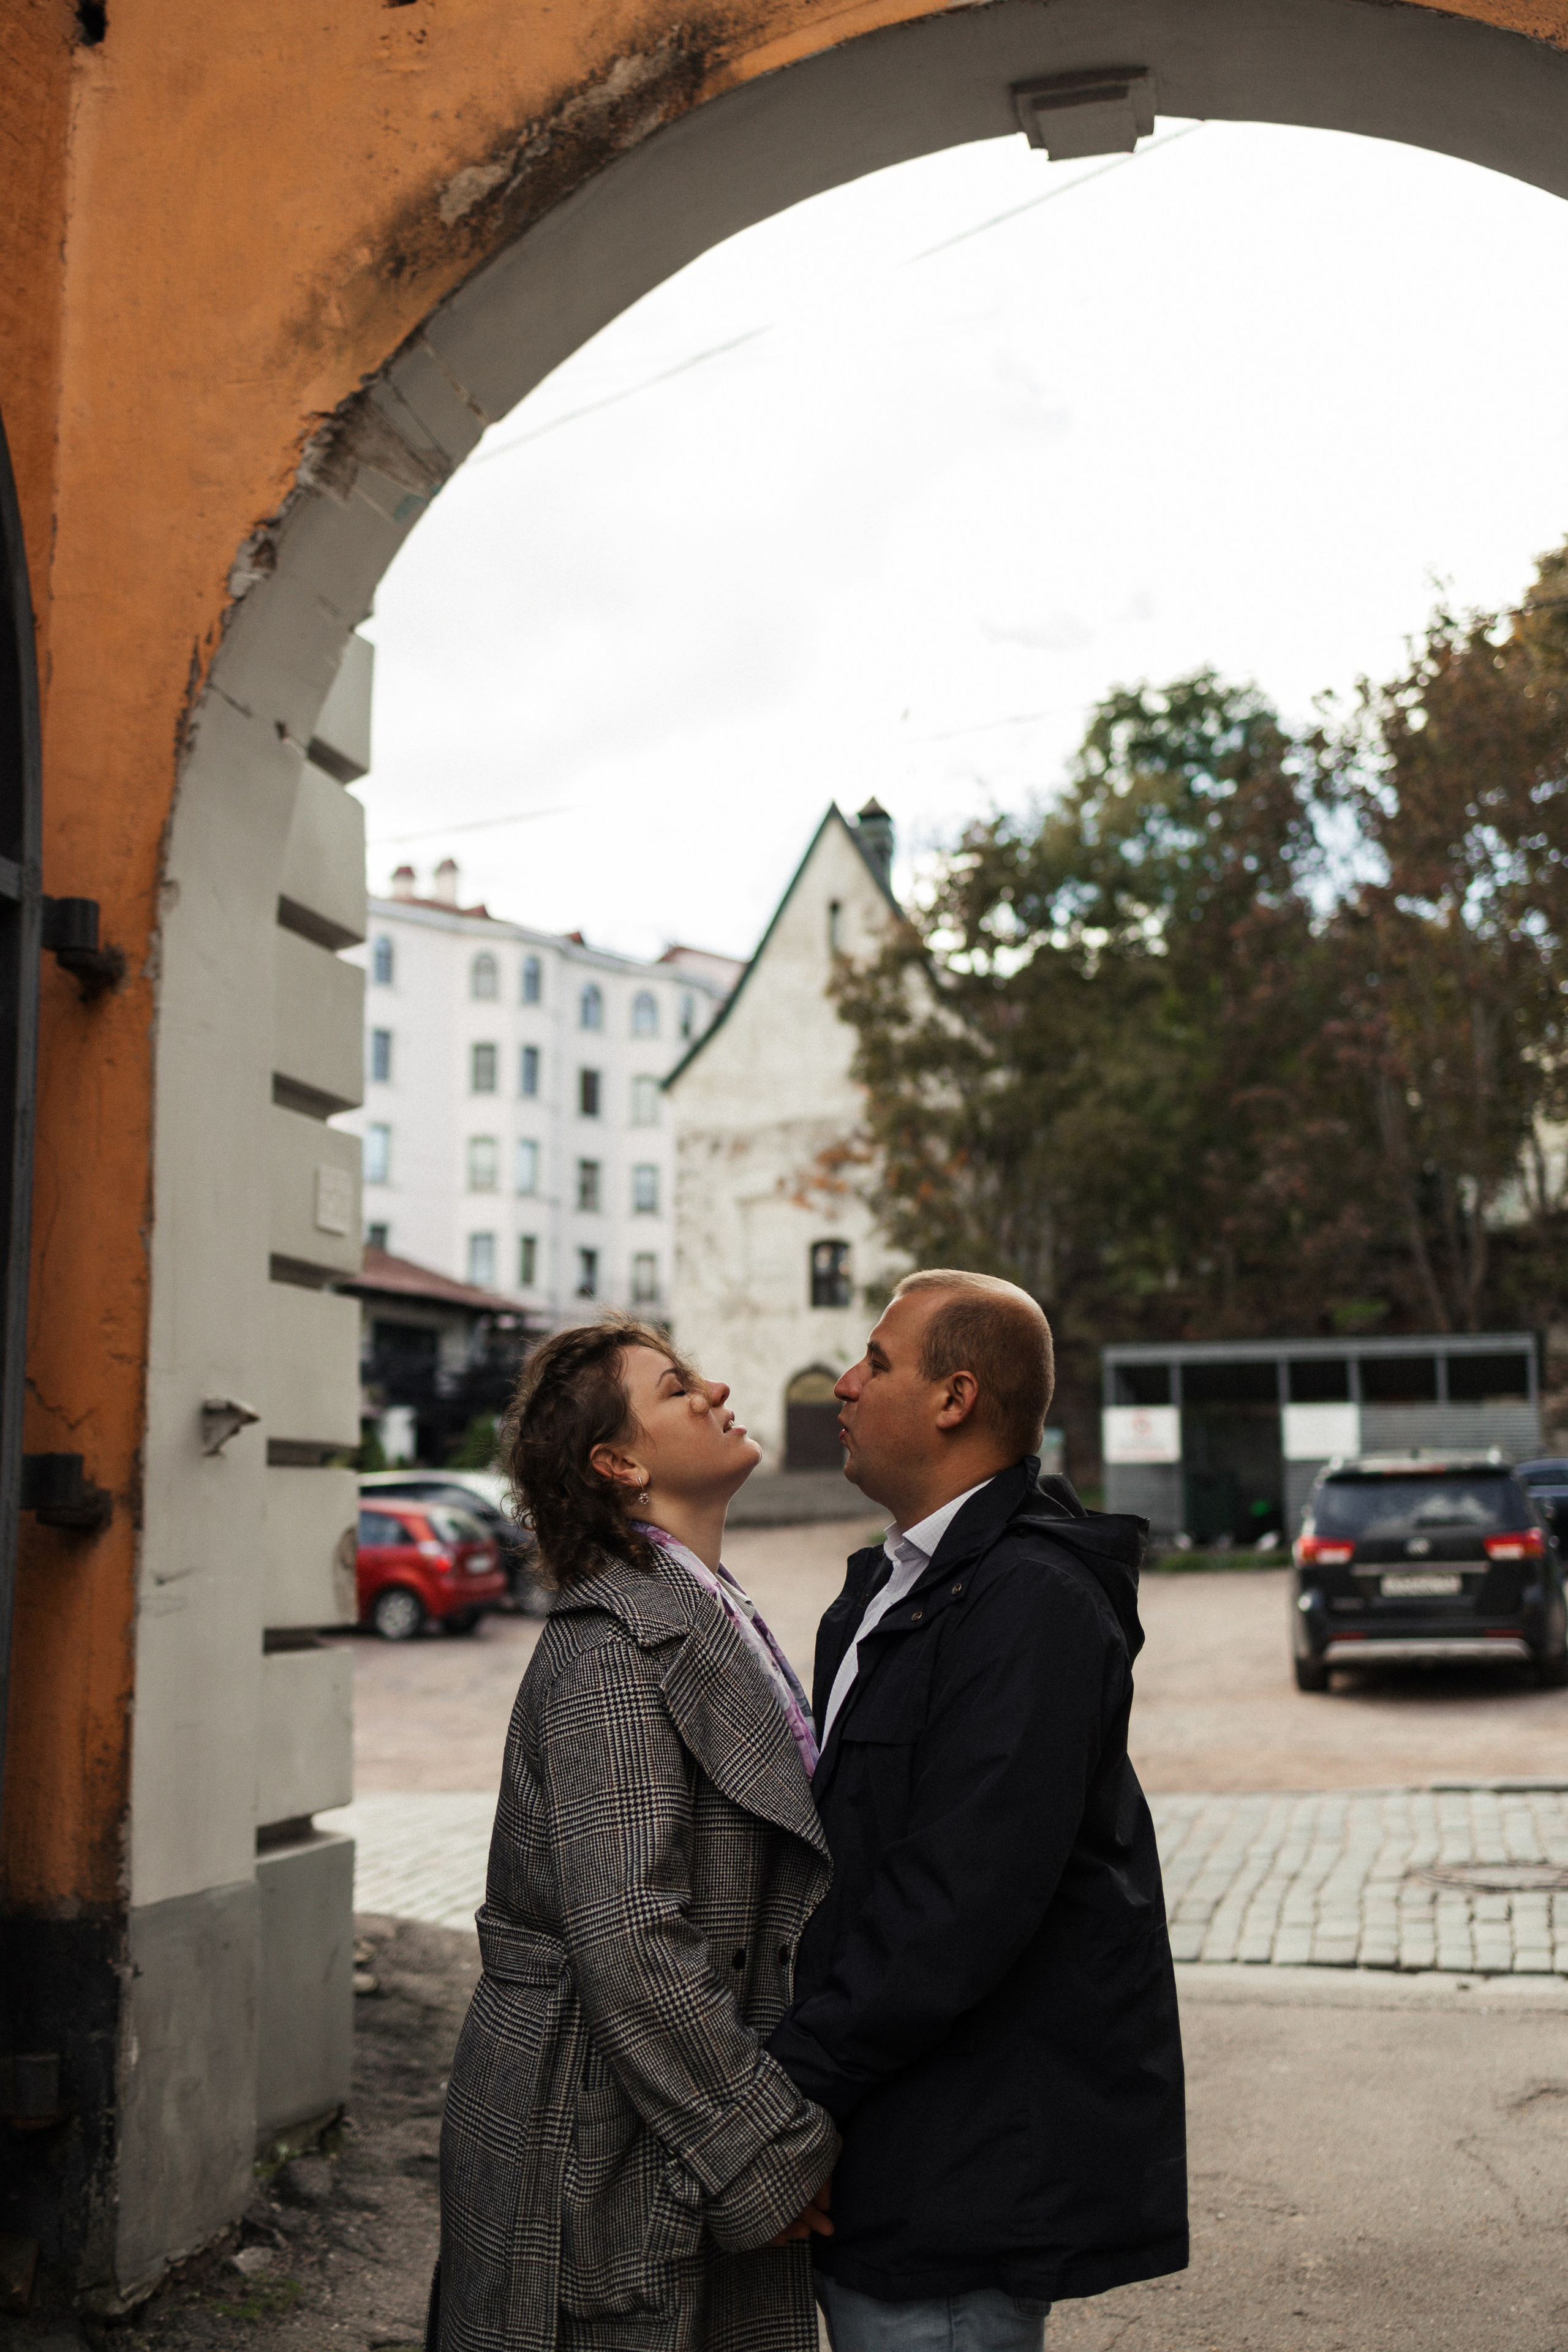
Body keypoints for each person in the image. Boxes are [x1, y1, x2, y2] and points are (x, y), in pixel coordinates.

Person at [767, 1269, 1188, 2352]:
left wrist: (790, 2099)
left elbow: (956, 1901)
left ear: (955, 1399)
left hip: (956, 2185)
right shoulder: (890, 1587)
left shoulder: (1031, 1601)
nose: (845, 1386)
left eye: (876, 1362)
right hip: (891, 2149)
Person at [432, 1319, 837, 2352]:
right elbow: (628, 1935)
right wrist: (762, 2150)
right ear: (619, 1463)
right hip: (601, 2145)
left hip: (654, 2119)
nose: (716, 1389)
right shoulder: (613, 1651)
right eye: (675, 1387)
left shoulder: (700, 1608)